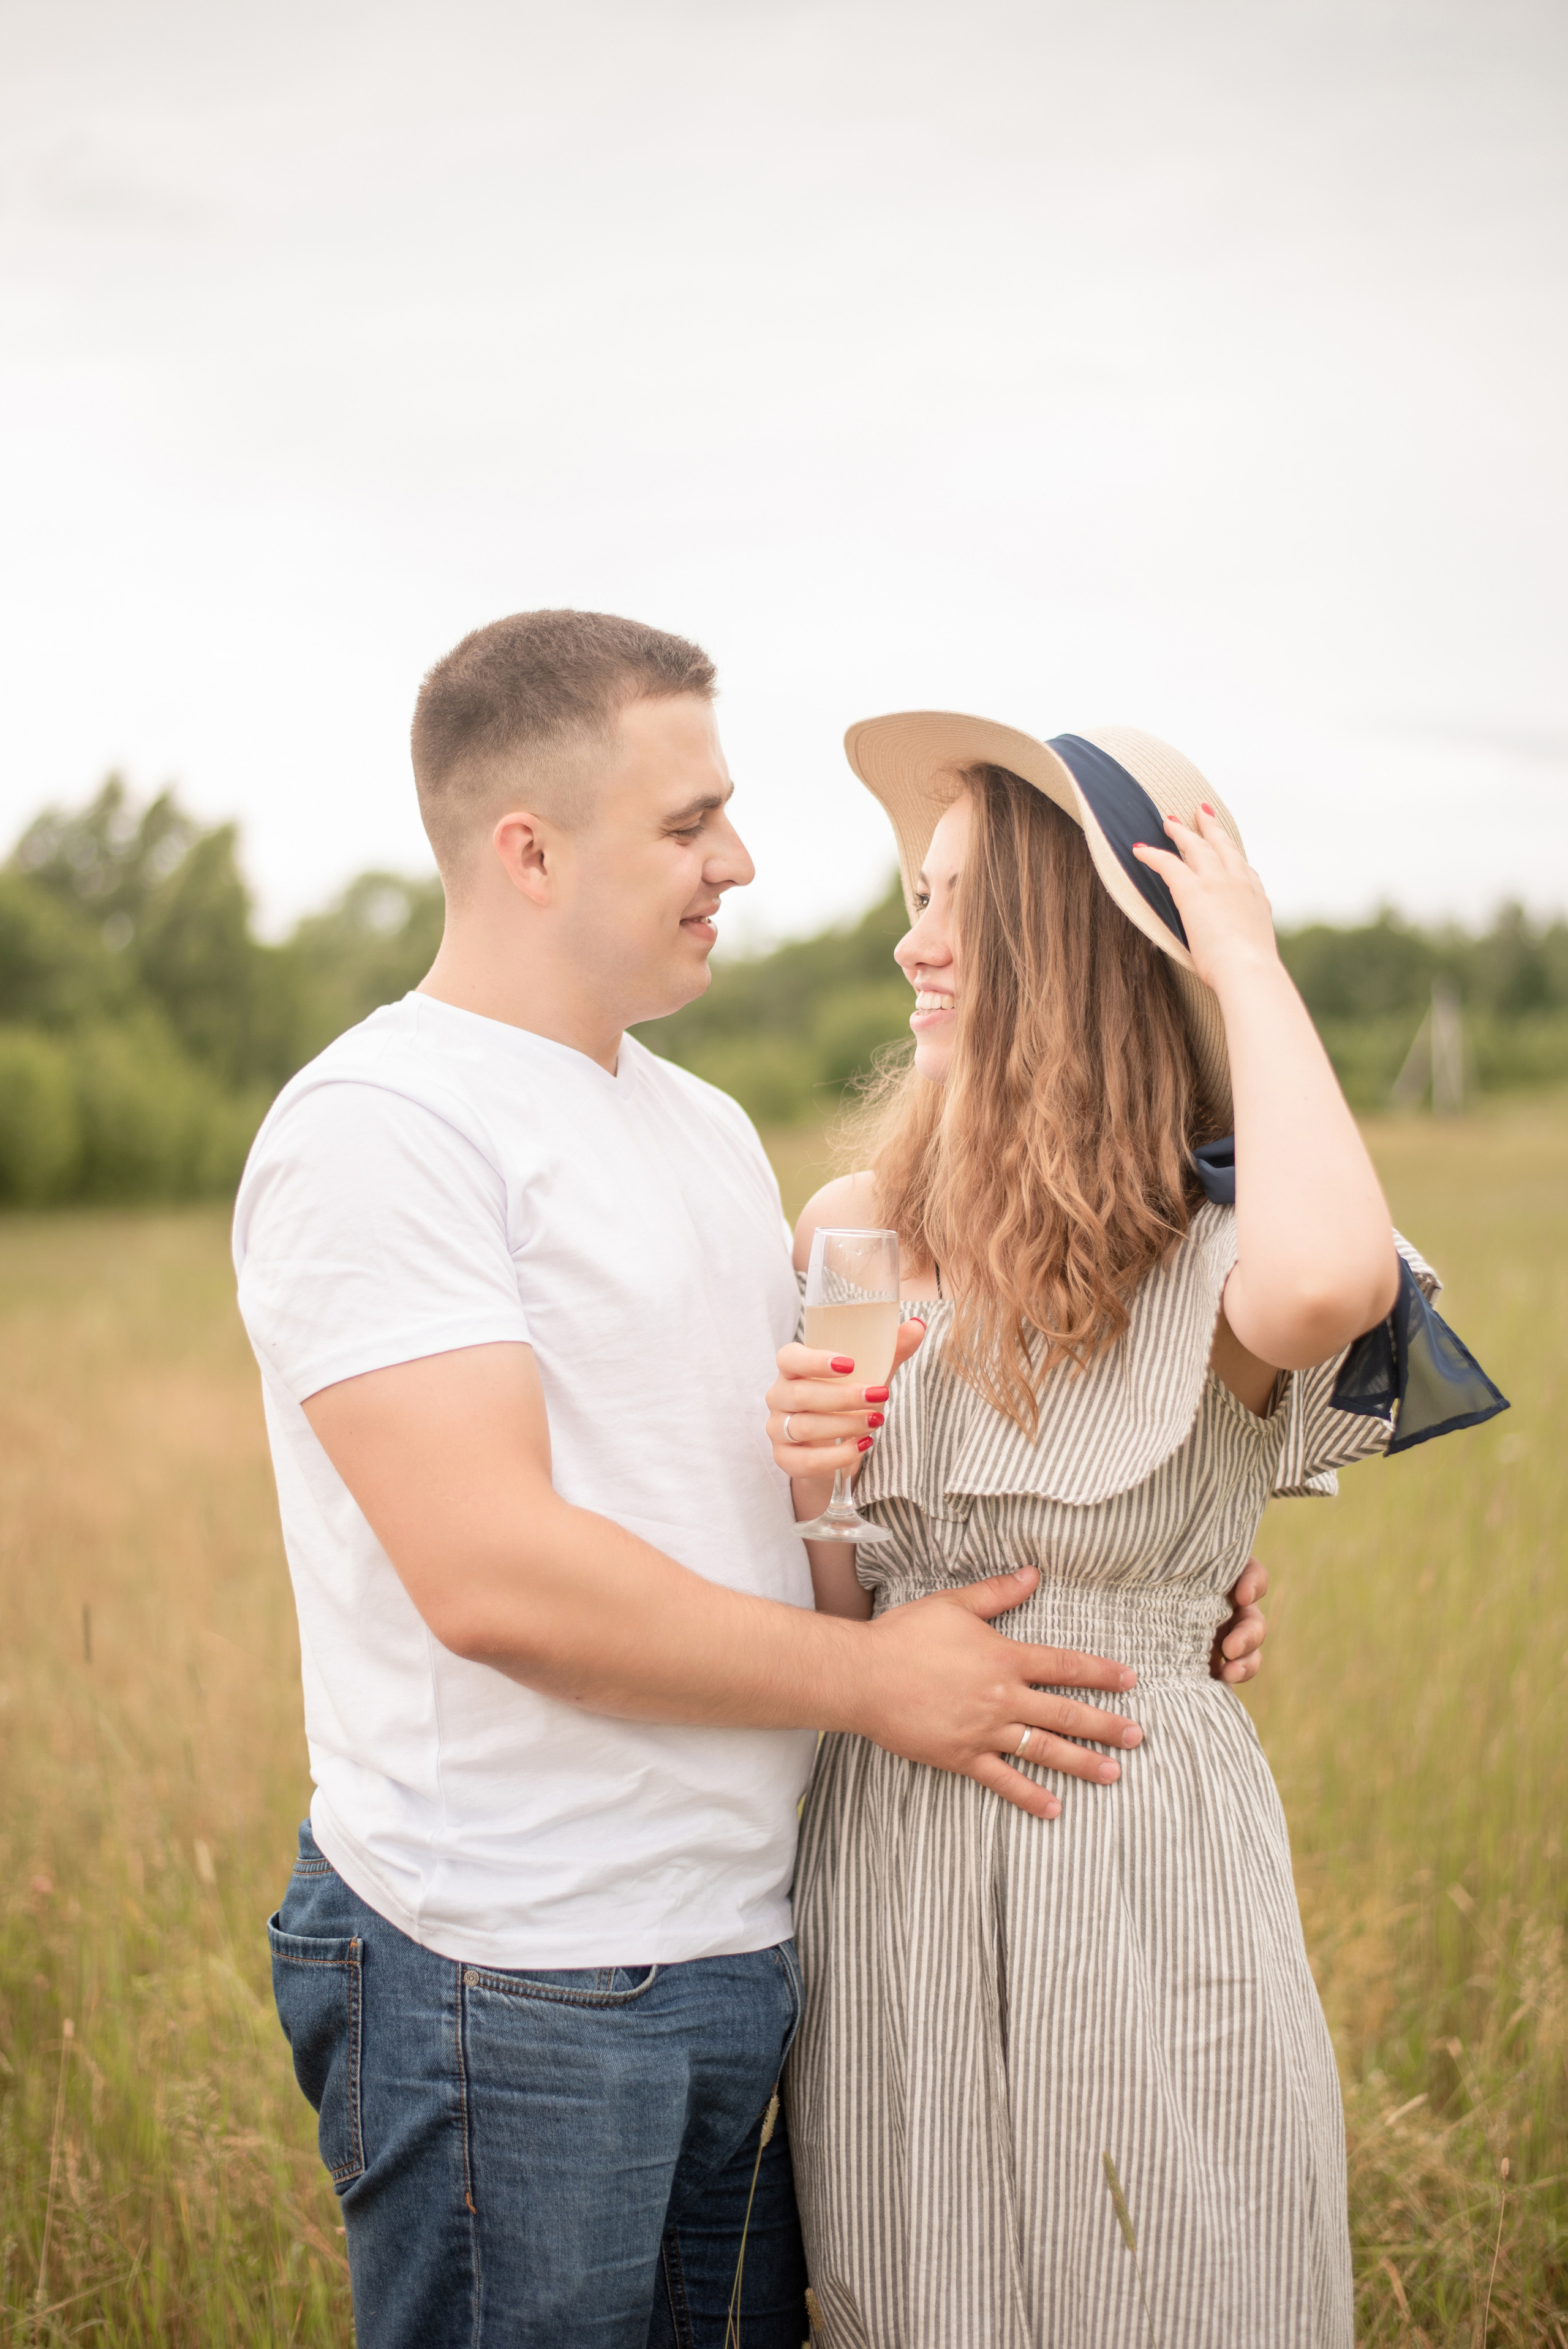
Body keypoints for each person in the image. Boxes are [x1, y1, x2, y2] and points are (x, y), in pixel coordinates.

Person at [235, 619, 1276, 2348]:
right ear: (529, 848)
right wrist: (879, 1683)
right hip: (512, 1970)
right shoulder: (384, 1126)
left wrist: (1152, 1566)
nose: (742, 860)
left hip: (755, 1943)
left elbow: (825, 1476)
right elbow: (494, 1575)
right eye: (690, 821)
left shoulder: (705, 1130)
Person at [765, 716, 1507, 2349]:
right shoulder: (851, 1231)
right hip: (895, 1834)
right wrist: (811, 1476)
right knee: (912, 2276)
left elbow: (1332, 1283)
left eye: (957, 900)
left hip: (1133, 1824)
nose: (913, 937)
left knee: (1177, 2269)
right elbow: (840, 1595)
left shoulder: (1218, 1232)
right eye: (915, 891)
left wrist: (1240, 950)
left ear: (1065, 942)